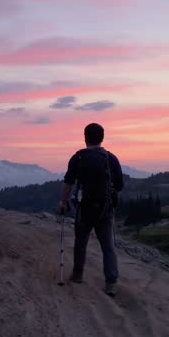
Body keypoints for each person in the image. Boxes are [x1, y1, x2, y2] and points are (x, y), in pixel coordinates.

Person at [58, 123, 124, 296]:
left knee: (81, 242)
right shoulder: (111, 158)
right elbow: (120, 185)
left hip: (84, 207)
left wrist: (63, 202)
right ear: (102, 138)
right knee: (108, 246)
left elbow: (68, 183)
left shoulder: (78, 158)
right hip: (105, 208)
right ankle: (111, 283)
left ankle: (78, 275)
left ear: (85, 137)